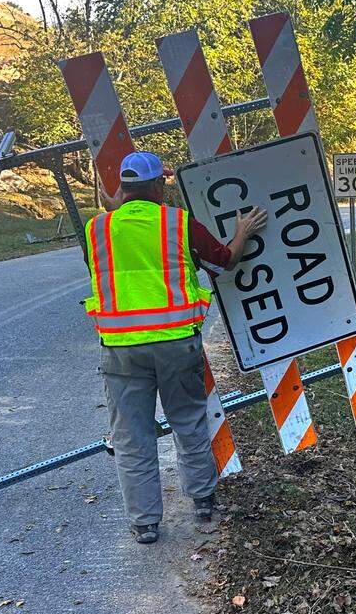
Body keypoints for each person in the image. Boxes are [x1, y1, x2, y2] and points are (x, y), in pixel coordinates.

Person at [82, 151, 267, 544]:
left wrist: (116, 211)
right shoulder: (179, 223)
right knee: (188, 422)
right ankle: (202, 502)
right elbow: (225, 263)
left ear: (122, 189)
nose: (166, 186)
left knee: (132, 436)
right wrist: (243, 231)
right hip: (175, 344)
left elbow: (106, 264)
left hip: (121, 349)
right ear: (155, 186)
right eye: (162, 182)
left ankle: (145, 523)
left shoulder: (97, 229)